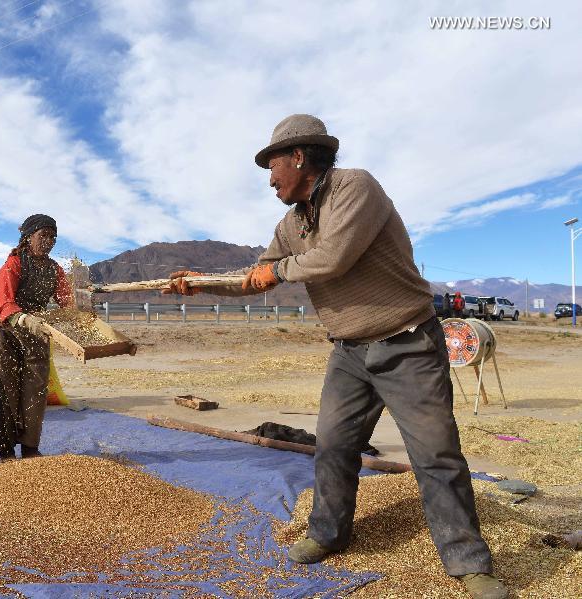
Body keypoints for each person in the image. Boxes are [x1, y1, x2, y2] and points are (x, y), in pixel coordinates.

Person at [165, 114, 506, 599]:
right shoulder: (292, 222)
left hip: (407, 341)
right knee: (333, 445)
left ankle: (469, 563)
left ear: (299, 158)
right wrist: (199, 283)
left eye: (273, 165)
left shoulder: (356, 188)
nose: (269, 178)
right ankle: (328, 533)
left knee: (435, 453)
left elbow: (334, 257)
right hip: (349, 352)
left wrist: (275, 270)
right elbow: (254, 277)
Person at [0, 214, 73, 461]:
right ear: (29, 237)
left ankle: (30, 447)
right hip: (6, 330)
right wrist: (22, 318)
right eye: (43, 236)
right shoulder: (14, 264)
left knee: (36, 388)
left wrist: (81, 306)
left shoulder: (55, 270)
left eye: (53, 237)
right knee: (7, 385)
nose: (48, 242)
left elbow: (67, 301)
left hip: (36, 330)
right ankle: (6, 449)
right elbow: (4, 302)